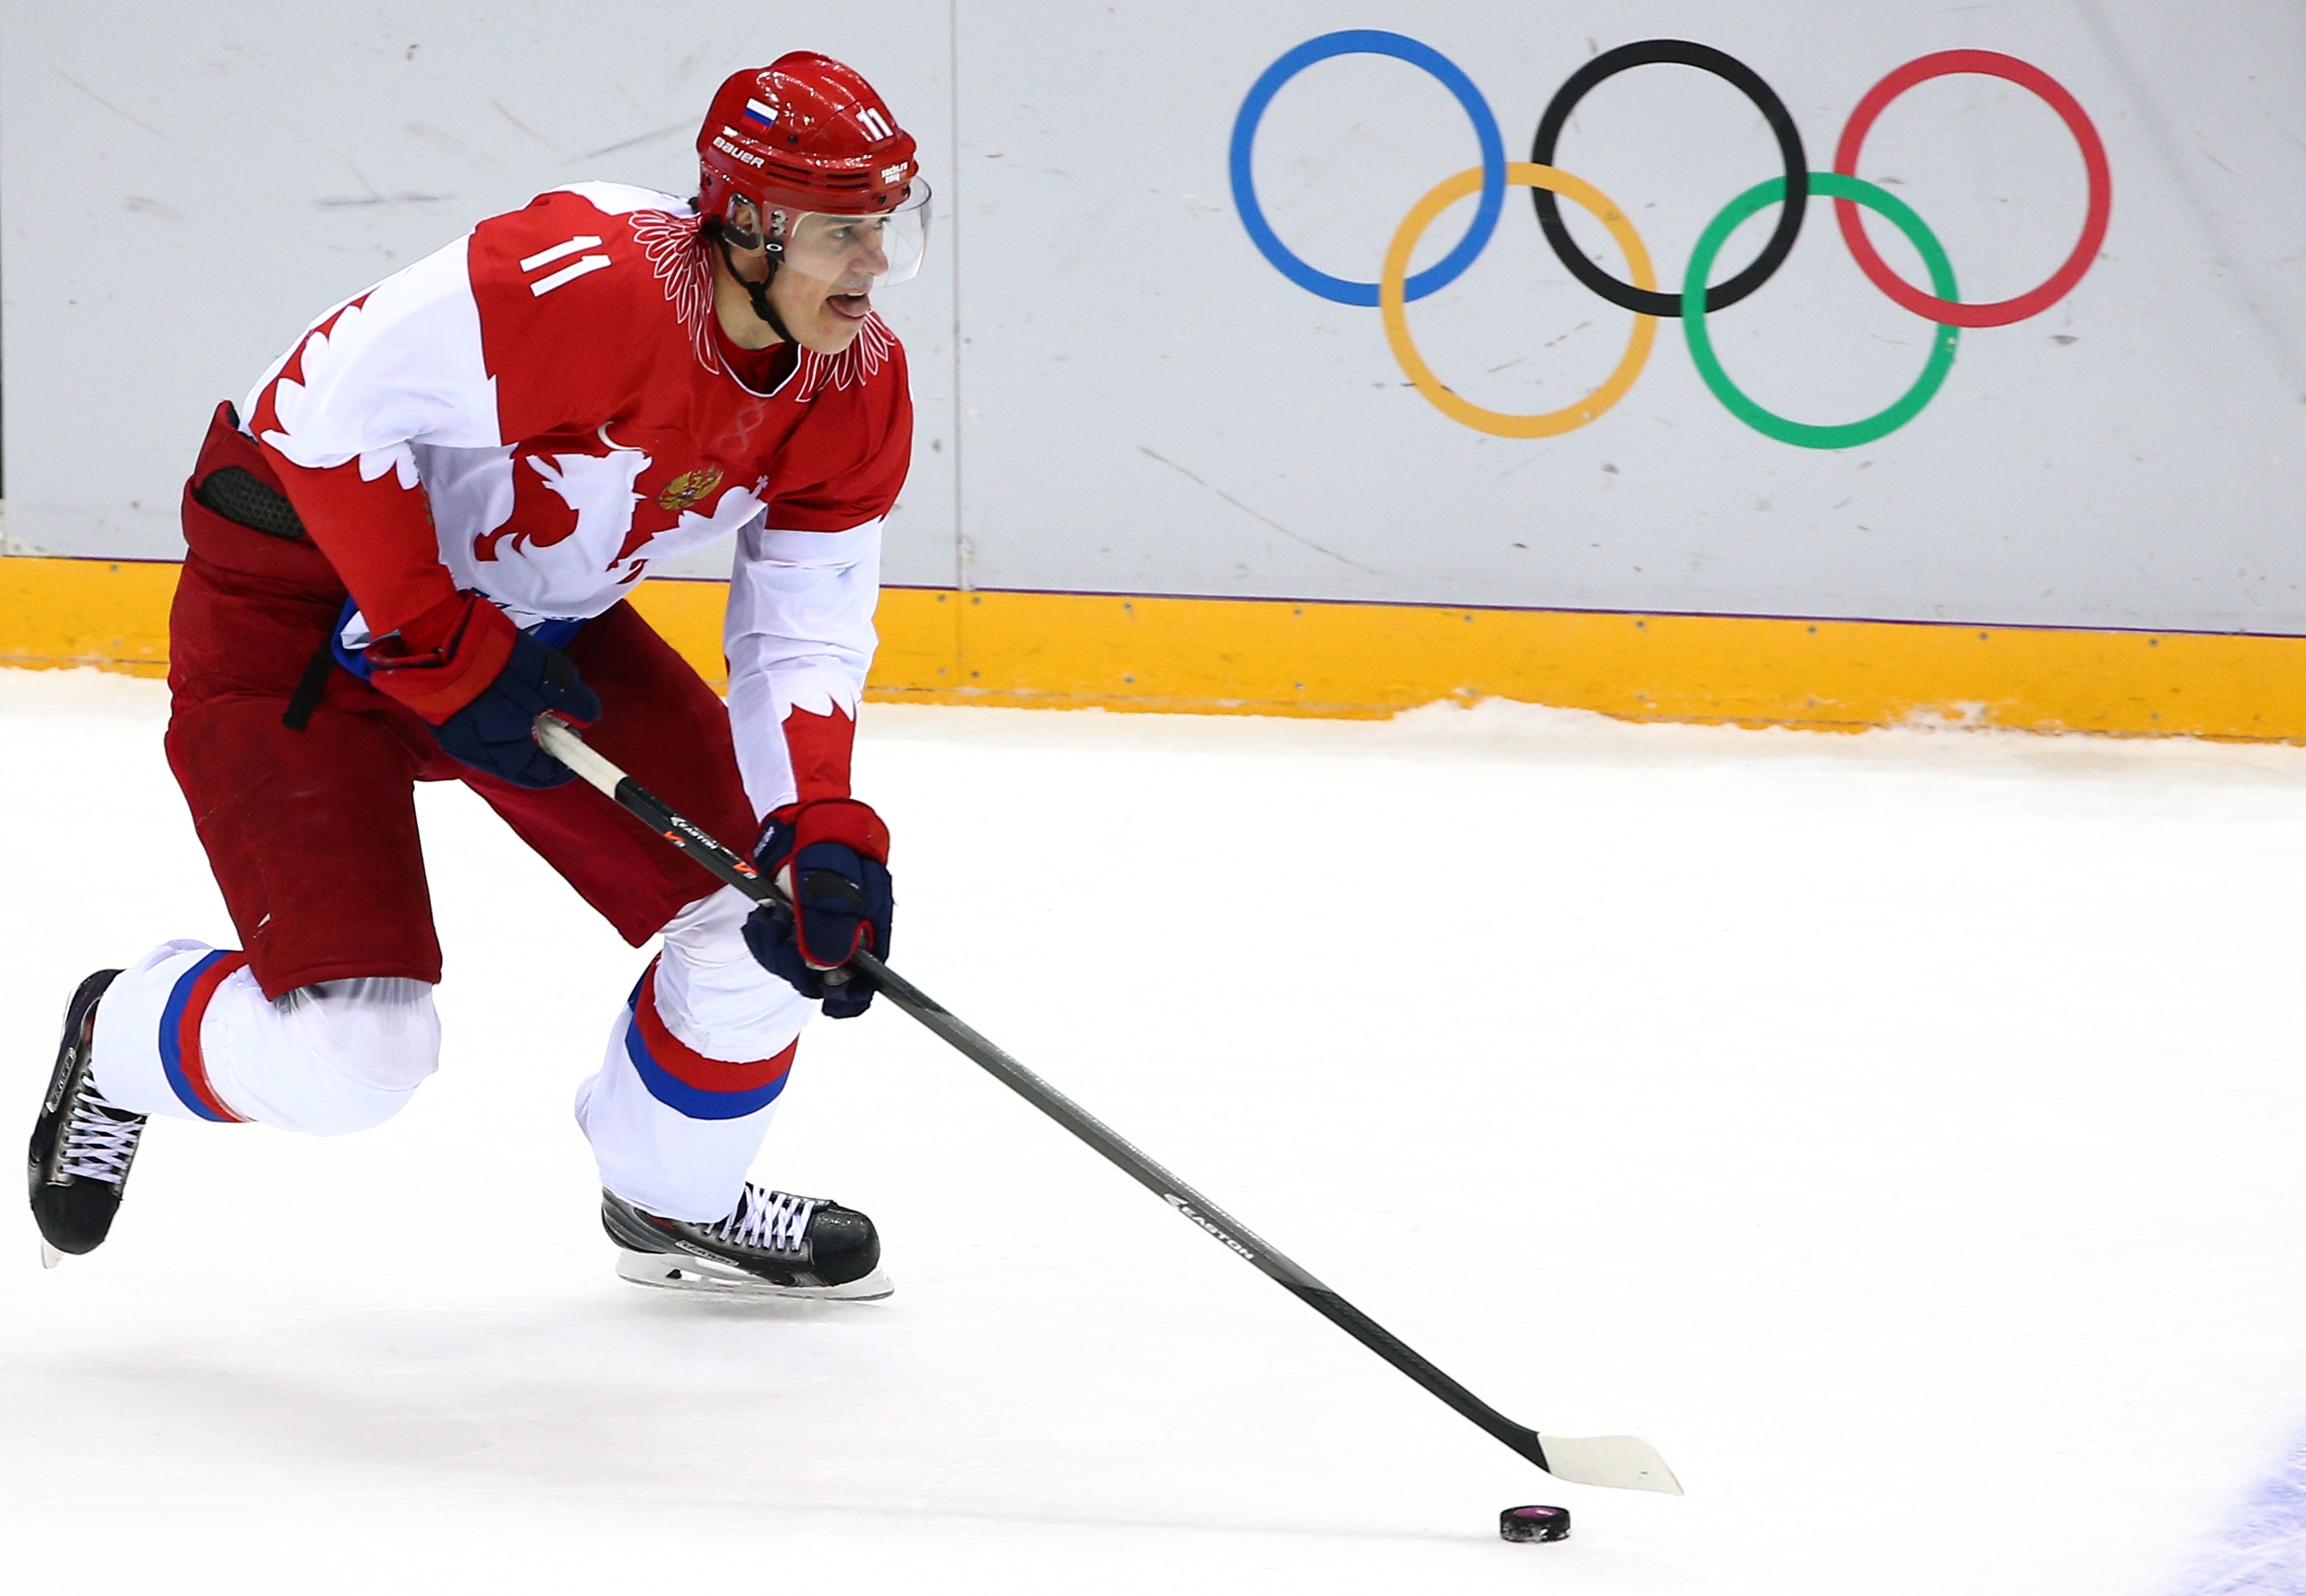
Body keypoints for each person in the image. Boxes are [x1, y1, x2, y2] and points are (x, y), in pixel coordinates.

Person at [26, 53, 928, 1300]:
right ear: (752, 227)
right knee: (358, 1060)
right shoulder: (585, 282)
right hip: (310, 608)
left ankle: (673, 1196)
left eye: (886, 227)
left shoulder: (856, 388)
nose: (875, 266)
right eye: (844, 232)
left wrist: (816, 816)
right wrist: (429, 631)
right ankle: (120, 1036)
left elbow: (804, 628)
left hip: (529, 629)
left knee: (765, 922)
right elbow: (317, 405)